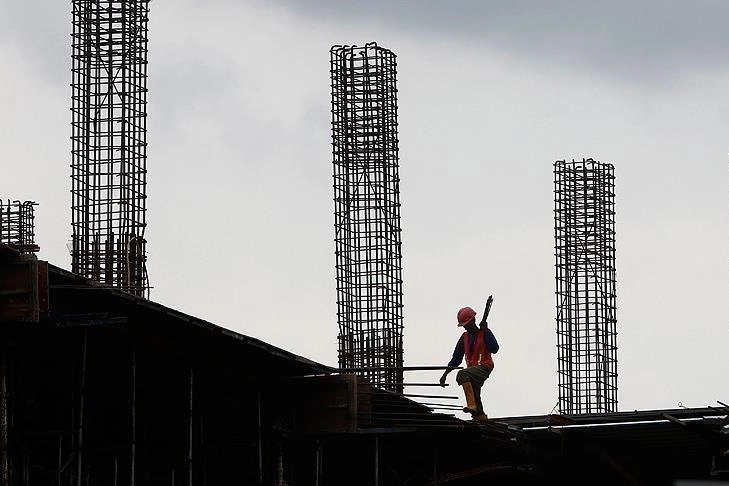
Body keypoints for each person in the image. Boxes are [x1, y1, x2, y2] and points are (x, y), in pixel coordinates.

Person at [439, 304, 499, 422]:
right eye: (463, 325)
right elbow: (456, 358)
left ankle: (472, 405)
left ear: (474, 320)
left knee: (462, 374)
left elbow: (494, 349)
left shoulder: (484, 332)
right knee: (474, 390)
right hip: (472, 370)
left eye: (467, 324)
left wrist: (486, 331)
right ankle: (479, 415)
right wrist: (446, 373)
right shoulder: (464, 337)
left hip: (484, 367)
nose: (465, 327)